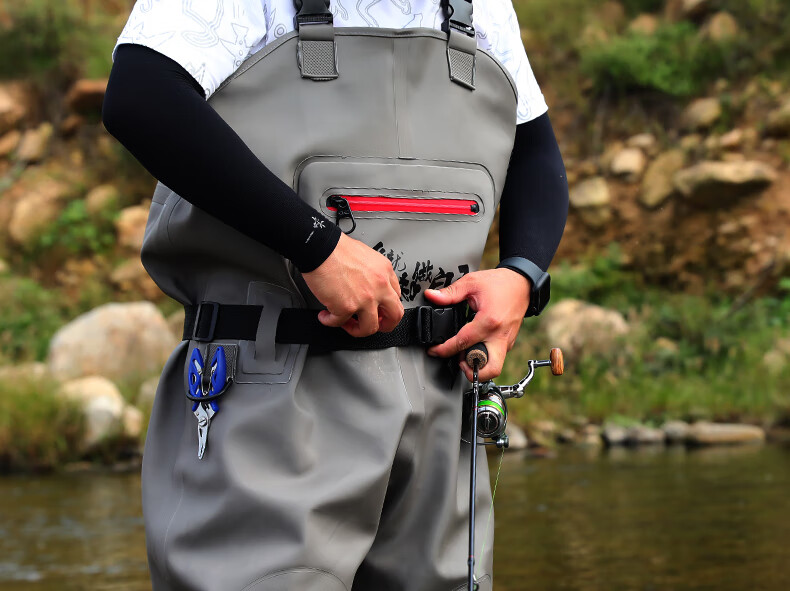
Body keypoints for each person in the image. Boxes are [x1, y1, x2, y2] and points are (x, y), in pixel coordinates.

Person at [102, 1, 568, 589]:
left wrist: (521, 274)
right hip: (270, 396)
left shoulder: (486, 8)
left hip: (444, 396)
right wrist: (315, 245)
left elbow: (535, 148)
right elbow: (141, 94)